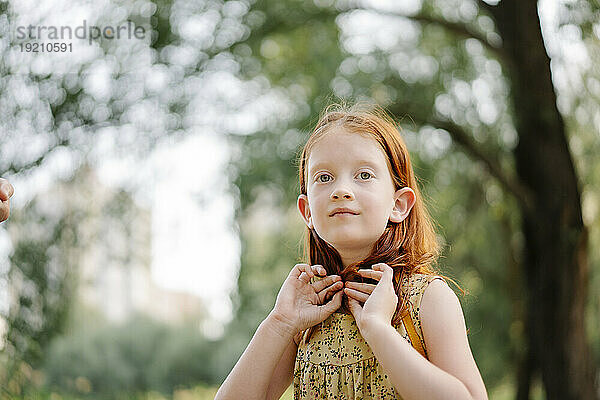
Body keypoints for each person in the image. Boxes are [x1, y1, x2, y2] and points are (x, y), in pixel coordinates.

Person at [215, 104, 488, 400]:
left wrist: (377, 329)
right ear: (307, 211)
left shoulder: (426, 299)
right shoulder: (307, 313)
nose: (341, 190)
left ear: (398, 205)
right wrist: (279, 323)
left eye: (364, 175)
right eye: (324, 177)